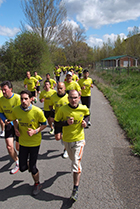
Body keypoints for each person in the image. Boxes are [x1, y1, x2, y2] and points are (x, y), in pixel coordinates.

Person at [54, 90, 90, 201]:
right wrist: (64, 124)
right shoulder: (62, 110)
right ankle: (71, 169)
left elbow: (87, 115)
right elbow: (56, 122)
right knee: (72, 158)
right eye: (71, 97)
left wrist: (85, 122)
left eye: (75, 97)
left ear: (79, 97)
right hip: (67, 140)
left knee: (76, 162)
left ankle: (75, 189)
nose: (73, 100)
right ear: (68, 98)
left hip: (79, 139)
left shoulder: (83, 108)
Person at [11, 90, 47, 196]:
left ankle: (37, 184)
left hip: (34, 142)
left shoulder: (37, 111)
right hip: (23, 141)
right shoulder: (16, 110)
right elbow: (14, 120)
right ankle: (27, 164)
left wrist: (35, 131)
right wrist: (16, 129)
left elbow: (44, 124)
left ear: (31, 99)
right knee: (22, 168)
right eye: (22, 99)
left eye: (26, 98)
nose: (23, 101)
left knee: (33, 167)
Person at [0, 81, 20, 174]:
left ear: (10, 89)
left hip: (19, 124)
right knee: (9, 146)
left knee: (19, 147)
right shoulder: (1, 100)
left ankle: (24, 156)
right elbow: (0, 112)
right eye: (2, 90)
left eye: (5, 90)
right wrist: (4, 120)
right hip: (8, 124)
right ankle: (17, 162)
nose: (3, 92)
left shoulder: (17, 98)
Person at [49, 82, 69, 158]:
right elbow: (51, 106)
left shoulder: (68, 97)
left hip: (66, 120)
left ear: (64, 88)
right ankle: (64, 141)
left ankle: (66, 149)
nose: (59, 90)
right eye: (58, 88)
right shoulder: (53, 97)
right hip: (57, 119)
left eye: (61, 88)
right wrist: (52, 115)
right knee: (57, 138)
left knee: (65, 137)